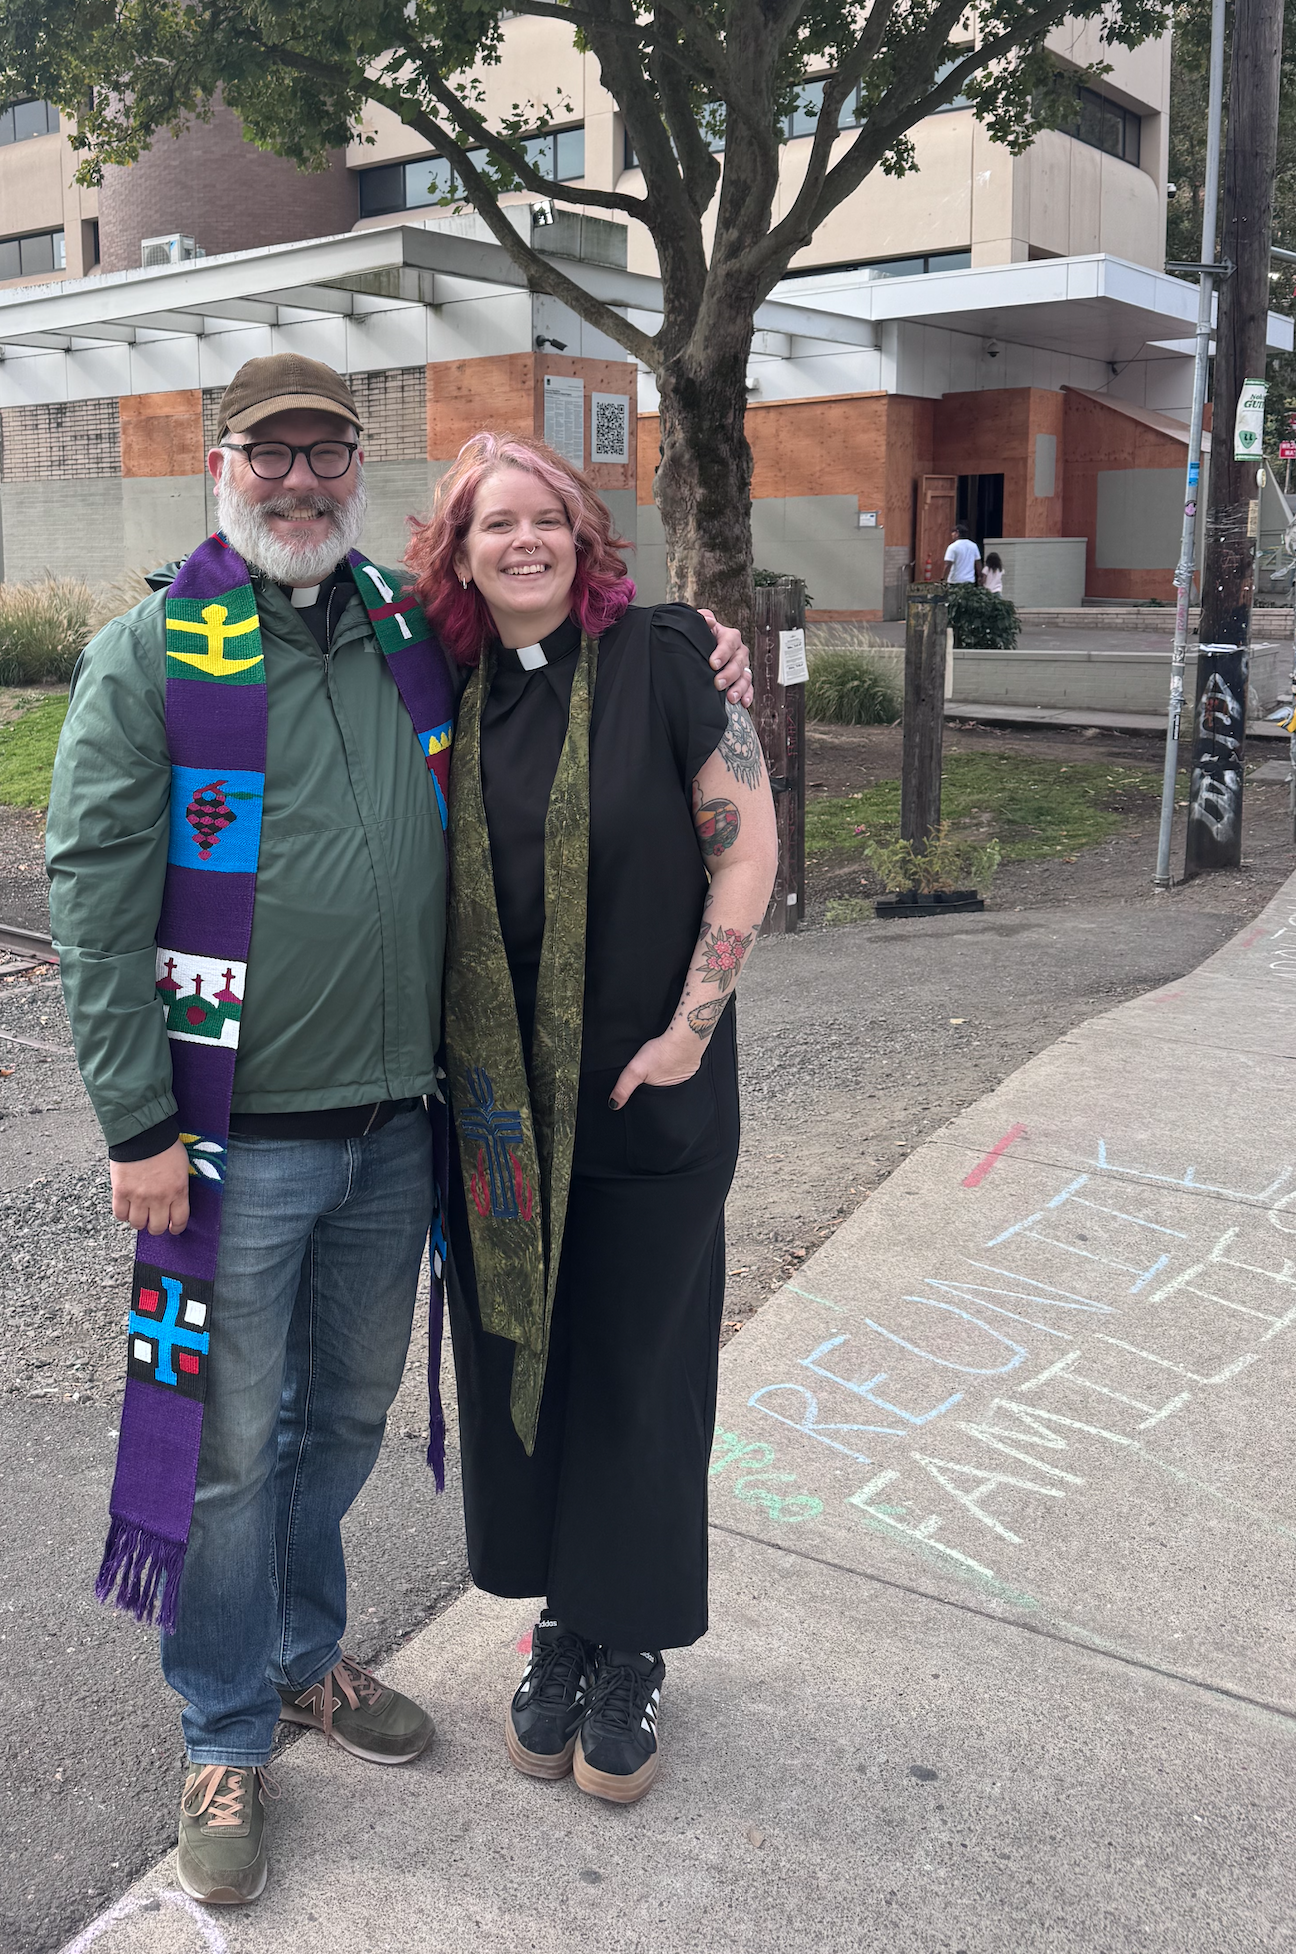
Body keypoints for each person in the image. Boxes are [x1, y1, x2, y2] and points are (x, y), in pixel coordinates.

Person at [45, 356, 755, 1906]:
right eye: (269, 457)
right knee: (230, 1449)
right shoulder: (156, 656)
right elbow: (92, 905)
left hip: (393, 1134)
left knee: (344, 1420)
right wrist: (137, 1120)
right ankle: (226, 1724)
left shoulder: (399, 634)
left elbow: (573, 638)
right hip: (233, 1140)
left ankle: (309, 1659)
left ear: (356, 470)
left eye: (327, 456)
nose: (298, 483)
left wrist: (702, 642)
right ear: (221, 468)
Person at [403, 433, 780, 1807]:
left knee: (638, 1369)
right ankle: (564, 1617)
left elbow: (746, 843)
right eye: (494, 522)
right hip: (499, 1120)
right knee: (529, 1369)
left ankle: (633, 1651)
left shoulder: (672, 658)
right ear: (458, 549)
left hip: (652, 1101)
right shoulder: (440, 685)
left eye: (547, 517)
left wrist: (689, 1029)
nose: (524, 541)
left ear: (585, 534)